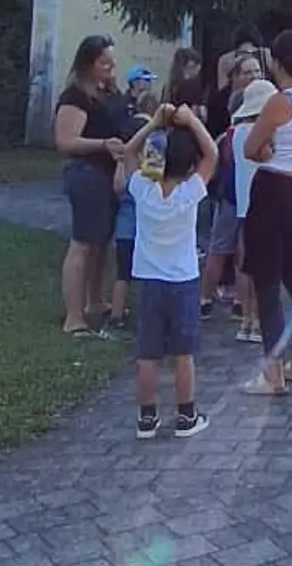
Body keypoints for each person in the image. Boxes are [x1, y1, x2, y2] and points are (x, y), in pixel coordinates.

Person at [116, 102, 215, 439]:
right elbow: (212, 154)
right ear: (189, 164)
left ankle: (147, 417)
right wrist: (192, 121)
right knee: (182, 353)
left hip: (148, 279)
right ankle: (186, 415)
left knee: (148, 353)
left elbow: (128, 153)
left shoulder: (143, 189)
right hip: (182, 280)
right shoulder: (190, 192)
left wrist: (154, 125)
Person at [239, 30, 292, 394]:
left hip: (271, 189)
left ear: (275, 62)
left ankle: (272, 373)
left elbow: (251, 147)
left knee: (267, 282)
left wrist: (264, 150)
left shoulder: (280, 101)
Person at [54, 35, 125, 337]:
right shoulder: (75, 97)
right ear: (88, 63)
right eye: (103, 62)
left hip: (109, 174)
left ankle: (94, 300)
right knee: (82, 243)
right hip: (87, 174)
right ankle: (73, 317)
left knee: (101, 242)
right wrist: (103, 144)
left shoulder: (109, 91)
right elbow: (65, 141)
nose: (110, 66)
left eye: (112, 60)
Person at [201, 80, 273, 337]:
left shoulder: (236, 133)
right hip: (263, 205)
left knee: (245, 262)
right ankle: (257, 320)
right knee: (262, 267)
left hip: (242, 204)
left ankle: (246, 319)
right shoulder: (264, 134)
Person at [108, 108, 155, 333]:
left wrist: (119, 163)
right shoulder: (150, 164)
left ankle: (116, 315)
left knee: (123, 274)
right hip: (145, 230)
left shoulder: (124, 162)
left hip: (124, 228)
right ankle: (148, 315)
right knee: (147, 275)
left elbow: (118, 187)